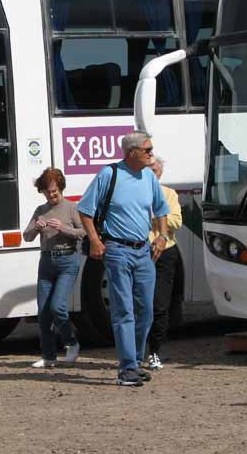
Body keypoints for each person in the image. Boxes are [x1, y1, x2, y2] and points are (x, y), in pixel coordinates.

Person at [77, 131, 169, 387]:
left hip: (144, 252)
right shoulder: (109, 174)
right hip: (117, 250)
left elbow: (161, 208)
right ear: (132, 153)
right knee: (123, 310)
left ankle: (136, 361)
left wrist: (161, 236)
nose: (151, 154)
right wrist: (95, 241)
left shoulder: (149, 177)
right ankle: (127, 368)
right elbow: (85, 210)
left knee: (146, 311)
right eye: (147, 150)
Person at [23, 167, 87, 368]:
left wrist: (63, 228)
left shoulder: (71, 207)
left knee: (57, 306)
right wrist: (36, 227)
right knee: (43, 312)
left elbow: (83, 232)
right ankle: (49, 356)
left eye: (54, 191)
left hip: (68, 260)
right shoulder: (40, 211)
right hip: (46, 262)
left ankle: (71, 342)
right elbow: (26, 236)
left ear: (61, 188)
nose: (51, 195)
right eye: (47, 192)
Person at [146, 156, 183, 370]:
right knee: (139, 303)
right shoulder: (135, 193)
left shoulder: (169, 194)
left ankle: (154, 352)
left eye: (156, 171)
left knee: (160, 304)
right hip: (141, 252)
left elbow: (177, 221)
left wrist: (157, 217)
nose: (153, 174)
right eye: (149, 170)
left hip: (166, 253)